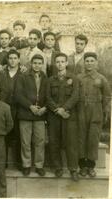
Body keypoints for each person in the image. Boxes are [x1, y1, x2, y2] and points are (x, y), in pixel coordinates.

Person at [46, 52, 80, 181]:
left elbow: (75, 96)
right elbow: (48, 98)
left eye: (62, 62)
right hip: (54, 116)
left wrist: (64, 108)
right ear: (55, 64)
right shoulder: (50, 80)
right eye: (58, 62)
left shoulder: (74, 79)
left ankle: (73, 169)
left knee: (71, 142)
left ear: (66, 63)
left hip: (68, 116)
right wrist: (58, 110)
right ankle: (57, 168)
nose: (60, 64)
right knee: (54, 142)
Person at [78, 52, 111, 177]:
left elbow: (107, 96)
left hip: (95, 111)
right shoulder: (79, 77)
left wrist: (103, 111)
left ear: (96, 62)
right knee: (81, 138)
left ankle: (91, 166)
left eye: (92, 61)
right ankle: (82, 166)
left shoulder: (101, 78)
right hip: (81, 110)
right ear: (84, 62)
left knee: (93, 139)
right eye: (87, 61)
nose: (89, 63)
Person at [14, 54, 47, 176]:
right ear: (31, 64)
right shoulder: (23, 77)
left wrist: (45, 108)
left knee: (40, 141)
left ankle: (39, 165)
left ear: (42, 64)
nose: (37, 65)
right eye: (35, 63)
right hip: (26, 113)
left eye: (39, 63)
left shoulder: (46, 78)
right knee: (25, 141)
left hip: (40, 114)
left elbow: (48, 95)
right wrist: (30, 106)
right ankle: (26, 165)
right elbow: (18, 95)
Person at [4, 49, 23, 169]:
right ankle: (3, 162)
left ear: (19, 60)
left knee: (19, 135)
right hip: (5, 108)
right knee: (4, 135)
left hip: (19, 109)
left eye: (15, 58)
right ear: (7, 60)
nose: (12, 60)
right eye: (10, 58)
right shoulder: (2, 73)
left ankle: (19, 163)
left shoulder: (23, 74)